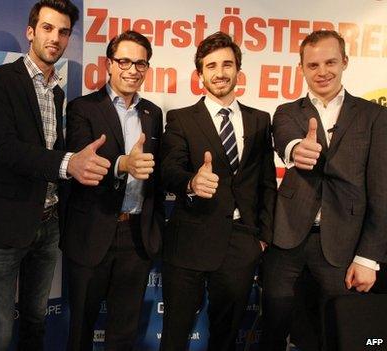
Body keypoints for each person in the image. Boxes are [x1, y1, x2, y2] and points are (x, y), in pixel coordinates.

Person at [0, 1, 112, 350]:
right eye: (47, 28)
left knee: (36, 318)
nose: (56, 38)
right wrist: (68, 164)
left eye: (63, 31)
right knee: (0, 331)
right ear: (31, 32)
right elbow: (5, 149)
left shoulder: (59, 91)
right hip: (6, 223)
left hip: (47, 223)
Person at [261, 29, 387, 350]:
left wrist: (369, 258)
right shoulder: (288, 112)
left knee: (338, 334)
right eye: (313, 65)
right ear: (301, 68)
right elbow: (285, 139)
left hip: (343, 245)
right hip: (287, 239)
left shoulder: (375, 116)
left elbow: (382, 192)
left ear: (345, 62)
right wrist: (294, 150)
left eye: (330, 62)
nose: (322, 72)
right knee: (275, 328)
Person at [160, 31, 276, 351]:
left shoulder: (260, 120)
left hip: (241, 243)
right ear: (200, 75)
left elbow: (266, 181)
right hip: (189, 240)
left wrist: (261, 236)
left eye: (227, 64)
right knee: (174, 334)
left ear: (239, 71)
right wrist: (191, 183)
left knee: (226, 337)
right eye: (211, 66)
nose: (220, 73)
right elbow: (169, 170)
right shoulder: (181, 119)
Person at [61, 30, 165, 351]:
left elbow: (155, 172)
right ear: (109, 64)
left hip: (136, 236)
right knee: (81, 329)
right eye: (124, 61)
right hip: (92, 232)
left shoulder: (152, 113)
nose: (132, 70)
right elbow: (83, 156)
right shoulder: (83, 108)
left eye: (141, 63)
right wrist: (123, 163)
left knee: (124, 333)